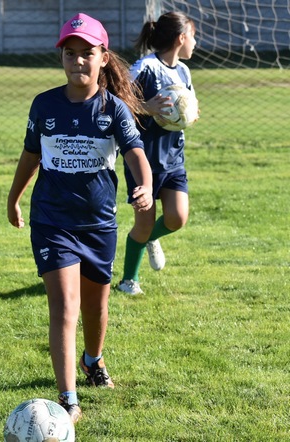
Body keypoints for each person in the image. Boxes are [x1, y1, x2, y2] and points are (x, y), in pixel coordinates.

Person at [7, 13, 153, 423]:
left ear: (103, 57)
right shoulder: (44, 104)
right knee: (64, 306)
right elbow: (30, 156)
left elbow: (136, 154)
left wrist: (144, 185)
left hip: (98, 224)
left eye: (86, 53)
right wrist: (14, 198)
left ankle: (93, 359)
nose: (77, 61)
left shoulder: (114, 109)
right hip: (52, 222)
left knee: (94, 307)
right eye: (69, 53)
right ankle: (68, 400)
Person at [118, 11, 197, 296]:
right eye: (193, 36)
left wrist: (191, 113)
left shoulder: (183, 71)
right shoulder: (145, 67)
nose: (195, 43)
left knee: (177, 218)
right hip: (144, 160)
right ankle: (128, 281)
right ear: (181, 38)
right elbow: (117, 100)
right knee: (143, 223)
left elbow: (187, 102)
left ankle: (151, 238)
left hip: (173, 157)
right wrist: (146, 108)